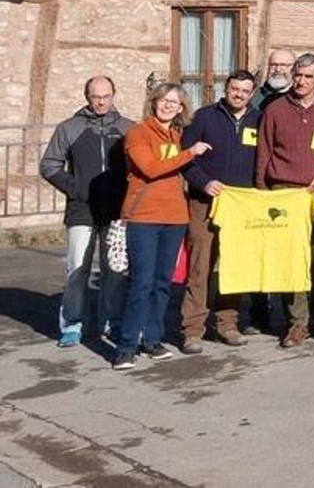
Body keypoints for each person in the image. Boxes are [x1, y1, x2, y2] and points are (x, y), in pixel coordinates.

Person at [113, 83, 210, 370]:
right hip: (144, 217)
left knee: (162, 284)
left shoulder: (178, 135)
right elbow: (151, 168)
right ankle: (126, 346)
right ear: (154, 102)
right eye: (164, 100)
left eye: (175, 102)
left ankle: (152, 340)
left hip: (175, 218)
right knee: (141, 283)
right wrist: (189, 153)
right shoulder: (138, 133)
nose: (168, 105)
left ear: (181, 108)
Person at [256, 52, 314, 347]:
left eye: (308, 76)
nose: (302, 81)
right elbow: (264, 152)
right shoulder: (275, 109)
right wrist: (262, 192)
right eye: (298, 75)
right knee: (290, 259)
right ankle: (297, 322)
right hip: (283, 192)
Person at [39, 76, 134, 348]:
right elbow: (49, 165)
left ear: (114, 94)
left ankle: (112, 322)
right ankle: (72, 325)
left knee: (114, 270)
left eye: (106, 96)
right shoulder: (69, 128)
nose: (101, 102)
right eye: (95, 97)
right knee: (77, 269)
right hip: (81, 210)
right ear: (87, 97)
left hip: (117, 211)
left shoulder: (129, 129)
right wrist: (77, 189)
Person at [177, 70, 260, 353]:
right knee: (200, 266)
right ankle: (192, 329)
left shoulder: (259, 119)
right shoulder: (203, 117)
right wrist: (203, 182)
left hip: (241, 206)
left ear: (252, 93)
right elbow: (185, 158)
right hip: (205, 202)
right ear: (226, 89)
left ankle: (228, 324)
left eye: (245, 91)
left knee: (233, 266)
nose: (239, 95)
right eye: (235, 89)